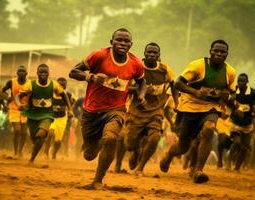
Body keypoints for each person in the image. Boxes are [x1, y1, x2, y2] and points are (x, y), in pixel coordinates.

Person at [69, 28, 146, 189]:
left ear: (131, 45)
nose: (123, 44)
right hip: (91, 111)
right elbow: (73, 72)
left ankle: (97, 180)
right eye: (119, 40)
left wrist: (141, 94)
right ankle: (94, 146)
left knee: (111, 138)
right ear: (111, 42)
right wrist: (91, 77)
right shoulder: (99, 56)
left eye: (126, 41)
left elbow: (142, 81)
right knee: (89, 155)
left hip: (116, 109)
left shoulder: (136, 64)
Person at [160, 39, 236, 183]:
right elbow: (178, 83)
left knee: (209, 129)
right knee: (183, 146)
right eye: (216, 51)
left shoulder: (230, 72)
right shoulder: (197, 65)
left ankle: (198, 170)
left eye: (223, 52)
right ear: (210, 52)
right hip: (189, 106)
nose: (219, 54)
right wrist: (194, 92)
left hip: (211, 108)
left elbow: (233, 92)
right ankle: (169, 154)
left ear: (227, 54)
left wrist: (229, 97)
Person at [115, 42, 176, 175]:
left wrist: (177, 104)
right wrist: (139, 90)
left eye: (155, 53)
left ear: (159, 56)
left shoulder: (165, 70)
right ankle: (134, 154)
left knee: (155, 138)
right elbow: (125, 87)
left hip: (156, 111)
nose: (152, 55)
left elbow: (174, 85)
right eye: (149, 52)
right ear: (144, 54)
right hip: (136, 111)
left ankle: (140, 167)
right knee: (128, 143)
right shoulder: (137, 67)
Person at [18, 64, 73, 163]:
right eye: (41, 72)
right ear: (37, 73)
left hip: (47, 115)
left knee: (40, 135)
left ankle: (31, 159)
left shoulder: (54, 84)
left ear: (48, 74)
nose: (43, 74)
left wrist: (70, 109)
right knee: (35, 139)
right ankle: (40, 145)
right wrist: (20, 104)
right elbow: (20, 95)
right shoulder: (30, 84)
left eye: (45, 72)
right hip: (32, 115)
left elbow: (64, 95)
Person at [226, 73, 255, 171]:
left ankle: (237, 167)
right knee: (237, 142)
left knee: (244, 147)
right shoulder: (234, 91)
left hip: (247, 125)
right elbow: (228, 104)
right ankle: (228, 161)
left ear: (247, 82)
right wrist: (234, 111)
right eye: (239, 80)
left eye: (242, 81)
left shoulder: (252, 93)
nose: (240, 82)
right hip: (235, 123)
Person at [2, 66, 29, 157]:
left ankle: (20, 150)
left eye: (23, 71)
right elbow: (2, 91)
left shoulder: (30, 84)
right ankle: (16, 151)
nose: (21, 73)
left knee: (24, 132)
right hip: (14, 108)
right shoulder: (11, 82)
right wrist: (6, 99)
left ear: (26, 73)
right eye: (19, 71)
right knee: (17, 130)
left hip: (25, 110)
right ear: (17, 73)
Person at [44, 77, 74, 159]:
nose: (61, 89)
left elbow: (71, 103)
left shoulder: (68, 95)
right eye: (60, 86)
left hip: (62, 119)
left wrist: (70, 111)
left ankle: (54, 153)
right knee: (50, 133)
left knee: (58, 141)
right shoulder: (50, 94)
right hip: (51, 117)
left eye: (64, 86)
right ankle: (46, 153)